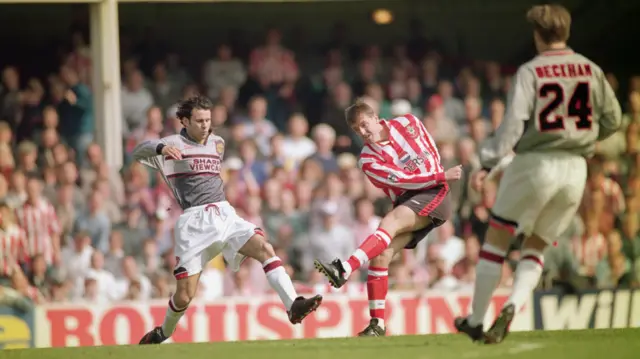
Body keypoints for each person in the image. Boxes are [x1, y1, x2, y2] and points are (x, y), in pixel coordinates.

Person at [454, 4, 622, 344]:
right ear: (567, 32)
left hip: (536, 162)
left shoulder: (531, 71)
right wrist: (584, 138)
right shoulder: (591, 70)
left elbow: (513, 124)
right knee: (537, 245)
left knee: (496, 241)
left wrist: (487, 162)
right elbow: (614, 120)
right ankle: (514, 305)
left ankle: (475, 319)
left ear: (536, 35)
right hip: (575, 169)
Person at [134, 95, 322, 344]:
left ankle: (293, 305)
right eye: (199, 120)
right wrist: (160, 148)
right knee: (184, 296)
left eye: (208, 120)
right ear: (185, 121)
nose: (205, 125)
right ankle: (163, 332)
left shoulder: (218, 143)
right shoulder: (172, 143)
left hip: (224, 213)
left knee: (265, 248)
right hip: (194, 222)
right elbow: (139, 151)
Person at [314, 99, 463, 336]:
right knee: (381, 256)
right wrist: (439, 175)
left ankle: (345, 268)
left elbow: (430, 150)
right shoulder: (366, 159)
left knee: (388, 223)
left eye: (364, 125)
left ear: (375, 118)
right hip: (415, 195)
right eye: (356, 130)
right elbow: (399, 179)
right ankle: (378, 325)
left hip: (435, 193)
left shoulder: (409, 122)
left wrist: (439, 177)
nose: (363, 132)